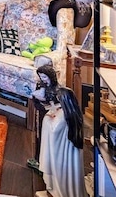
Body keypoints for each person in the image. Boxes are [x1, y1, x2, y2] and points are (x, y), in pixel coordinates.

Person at [33, 65, 85, 197]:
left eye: (44, 76)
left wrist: (50, 118)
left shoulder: (62, 104)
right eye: (41, 77)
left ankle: (57, 189)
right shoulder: (43, 87)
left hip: (59, 149)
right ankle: (52, 187)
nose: (42, 79)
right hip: (56, 134)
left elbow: (55, 128)